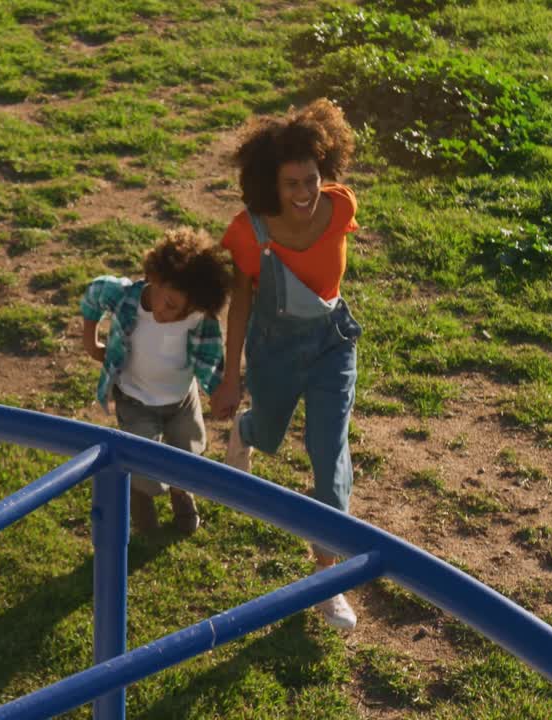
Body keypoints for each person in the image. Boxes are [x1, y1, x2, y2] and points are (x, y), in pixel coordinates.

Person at [210, 98, 363, 630]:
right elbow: (243, 305)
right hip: (274, 349)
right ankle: (247, 432)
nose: (304, 193)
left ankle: (327, 577)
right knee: (269, 426)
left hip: (331, 344)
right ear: (269, 186)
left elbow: (327, 278)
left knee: (328, 450)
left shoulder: (340, 207)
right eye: (291, 184)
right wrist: (232, 379)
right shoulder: (248, 233)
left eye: (311, 179)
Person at [81, 227, 233, 534]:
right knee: (143, 464)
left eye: (177, 308)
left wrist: (217, 390)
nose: (164, 312)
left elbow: (210, 356)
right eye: (165, 300)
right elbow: (95, 293)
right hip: (135, 399)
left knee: (188, 454)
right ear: (155, 278)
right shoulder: (126, 297)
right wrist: (90, 341)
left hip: (181, 400)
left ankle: (182, 494)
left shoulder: (200, 319)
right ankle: (141, 504)